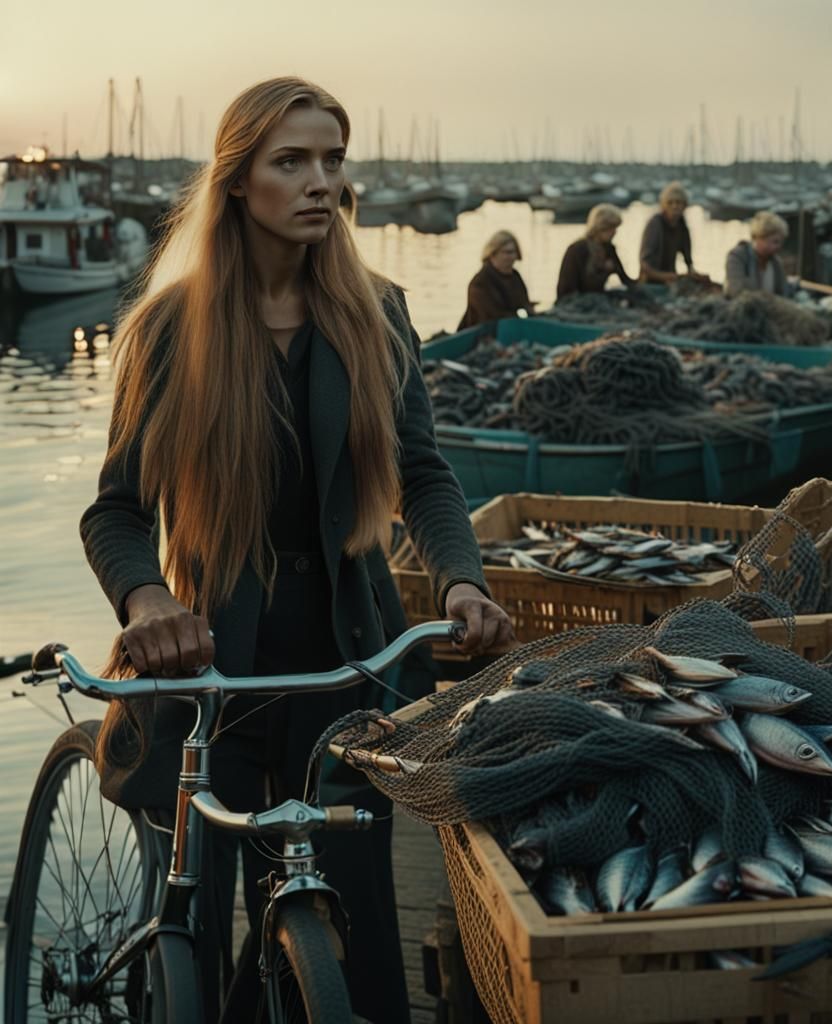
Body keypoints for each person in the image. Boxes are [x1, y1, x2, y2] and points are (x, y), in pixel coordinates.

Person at [79, 77, 513, 1024]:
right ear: (238, 182)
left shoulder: (379, 312)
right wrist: (149, 603)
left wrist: (462, 580)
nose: (321, 182)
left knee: (351, 949)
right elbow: (115, 513)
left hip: (352, 673)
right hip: (210, 676)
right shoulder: (168, 328)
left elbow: (425, 478)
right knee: (189, 925)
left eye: (333, 160)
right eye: (292, 161)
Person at [457, 229, 534, 328]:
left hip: (509, 328)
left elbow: (524, 304)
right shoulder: (479, 283)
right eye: (507, 253)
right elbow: (492, 315)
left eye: (514, 252)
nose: (513, 257)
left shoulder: (515, 277)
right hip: (481, 334)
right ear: (493, 254)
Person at [556, 203, 633, 298]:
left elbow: (624, 278)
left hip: (596, 295)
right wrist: (606, 271)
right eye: (611, 228)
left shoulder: (608, 248)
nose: (614, 232)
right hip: (575, 297)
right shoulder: (579, 249)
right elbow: (586, 286)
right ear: (600, 228)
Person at [638, 181, 702, 282]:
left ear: (684, 205)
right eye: (670, 202)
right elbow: (644, 264)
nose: (674, 206)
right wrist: (667, 276)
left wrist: (694, 275)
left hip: (670, 278)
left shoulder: (682, 226)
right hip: (651, 281)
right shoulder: (655, 224)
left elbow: (688, 261)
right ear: (663, 205)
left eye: (678, 202)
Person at [724, 210, 791, 298]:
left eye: (780, 242)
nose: (779, 247)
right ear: (759, 237)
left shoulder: (776, 263)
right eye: (775, 242)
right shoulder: (737, 256)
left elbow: (782, 293)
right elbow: (735, 291)